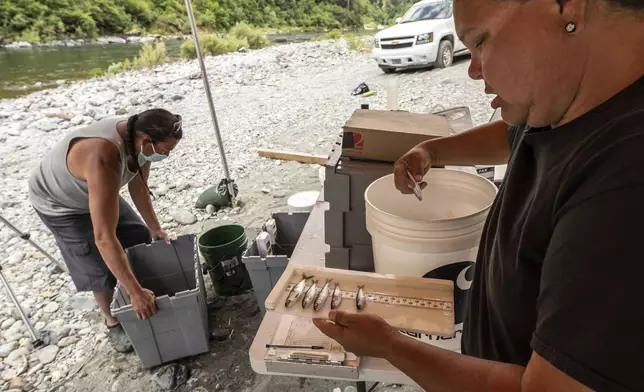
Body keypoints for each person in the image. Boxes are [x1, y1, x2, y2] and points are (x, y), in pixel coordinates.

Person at [314, 0, 644, 390]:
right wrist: (435, 151)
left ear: (568, 8)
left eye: (481, 41)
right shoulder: (570, 92)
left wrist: (389, 345)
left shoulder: (623, 191)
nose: (472, 70)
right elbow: (515, 135)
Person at [29, 108, 183, 352]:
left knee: (138, 234)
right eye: (165, 151)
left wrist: (155, 228)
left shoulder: (139, 144)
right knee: (98, 268)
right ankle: (111, 320)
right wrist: (135, 293)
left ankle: (135, 286)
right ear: (146, 140)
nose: (165, 156)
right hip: (60, 203)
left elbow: (139, 186)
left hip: (95, 188)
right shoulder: (104, 156)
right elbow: (103, 238)